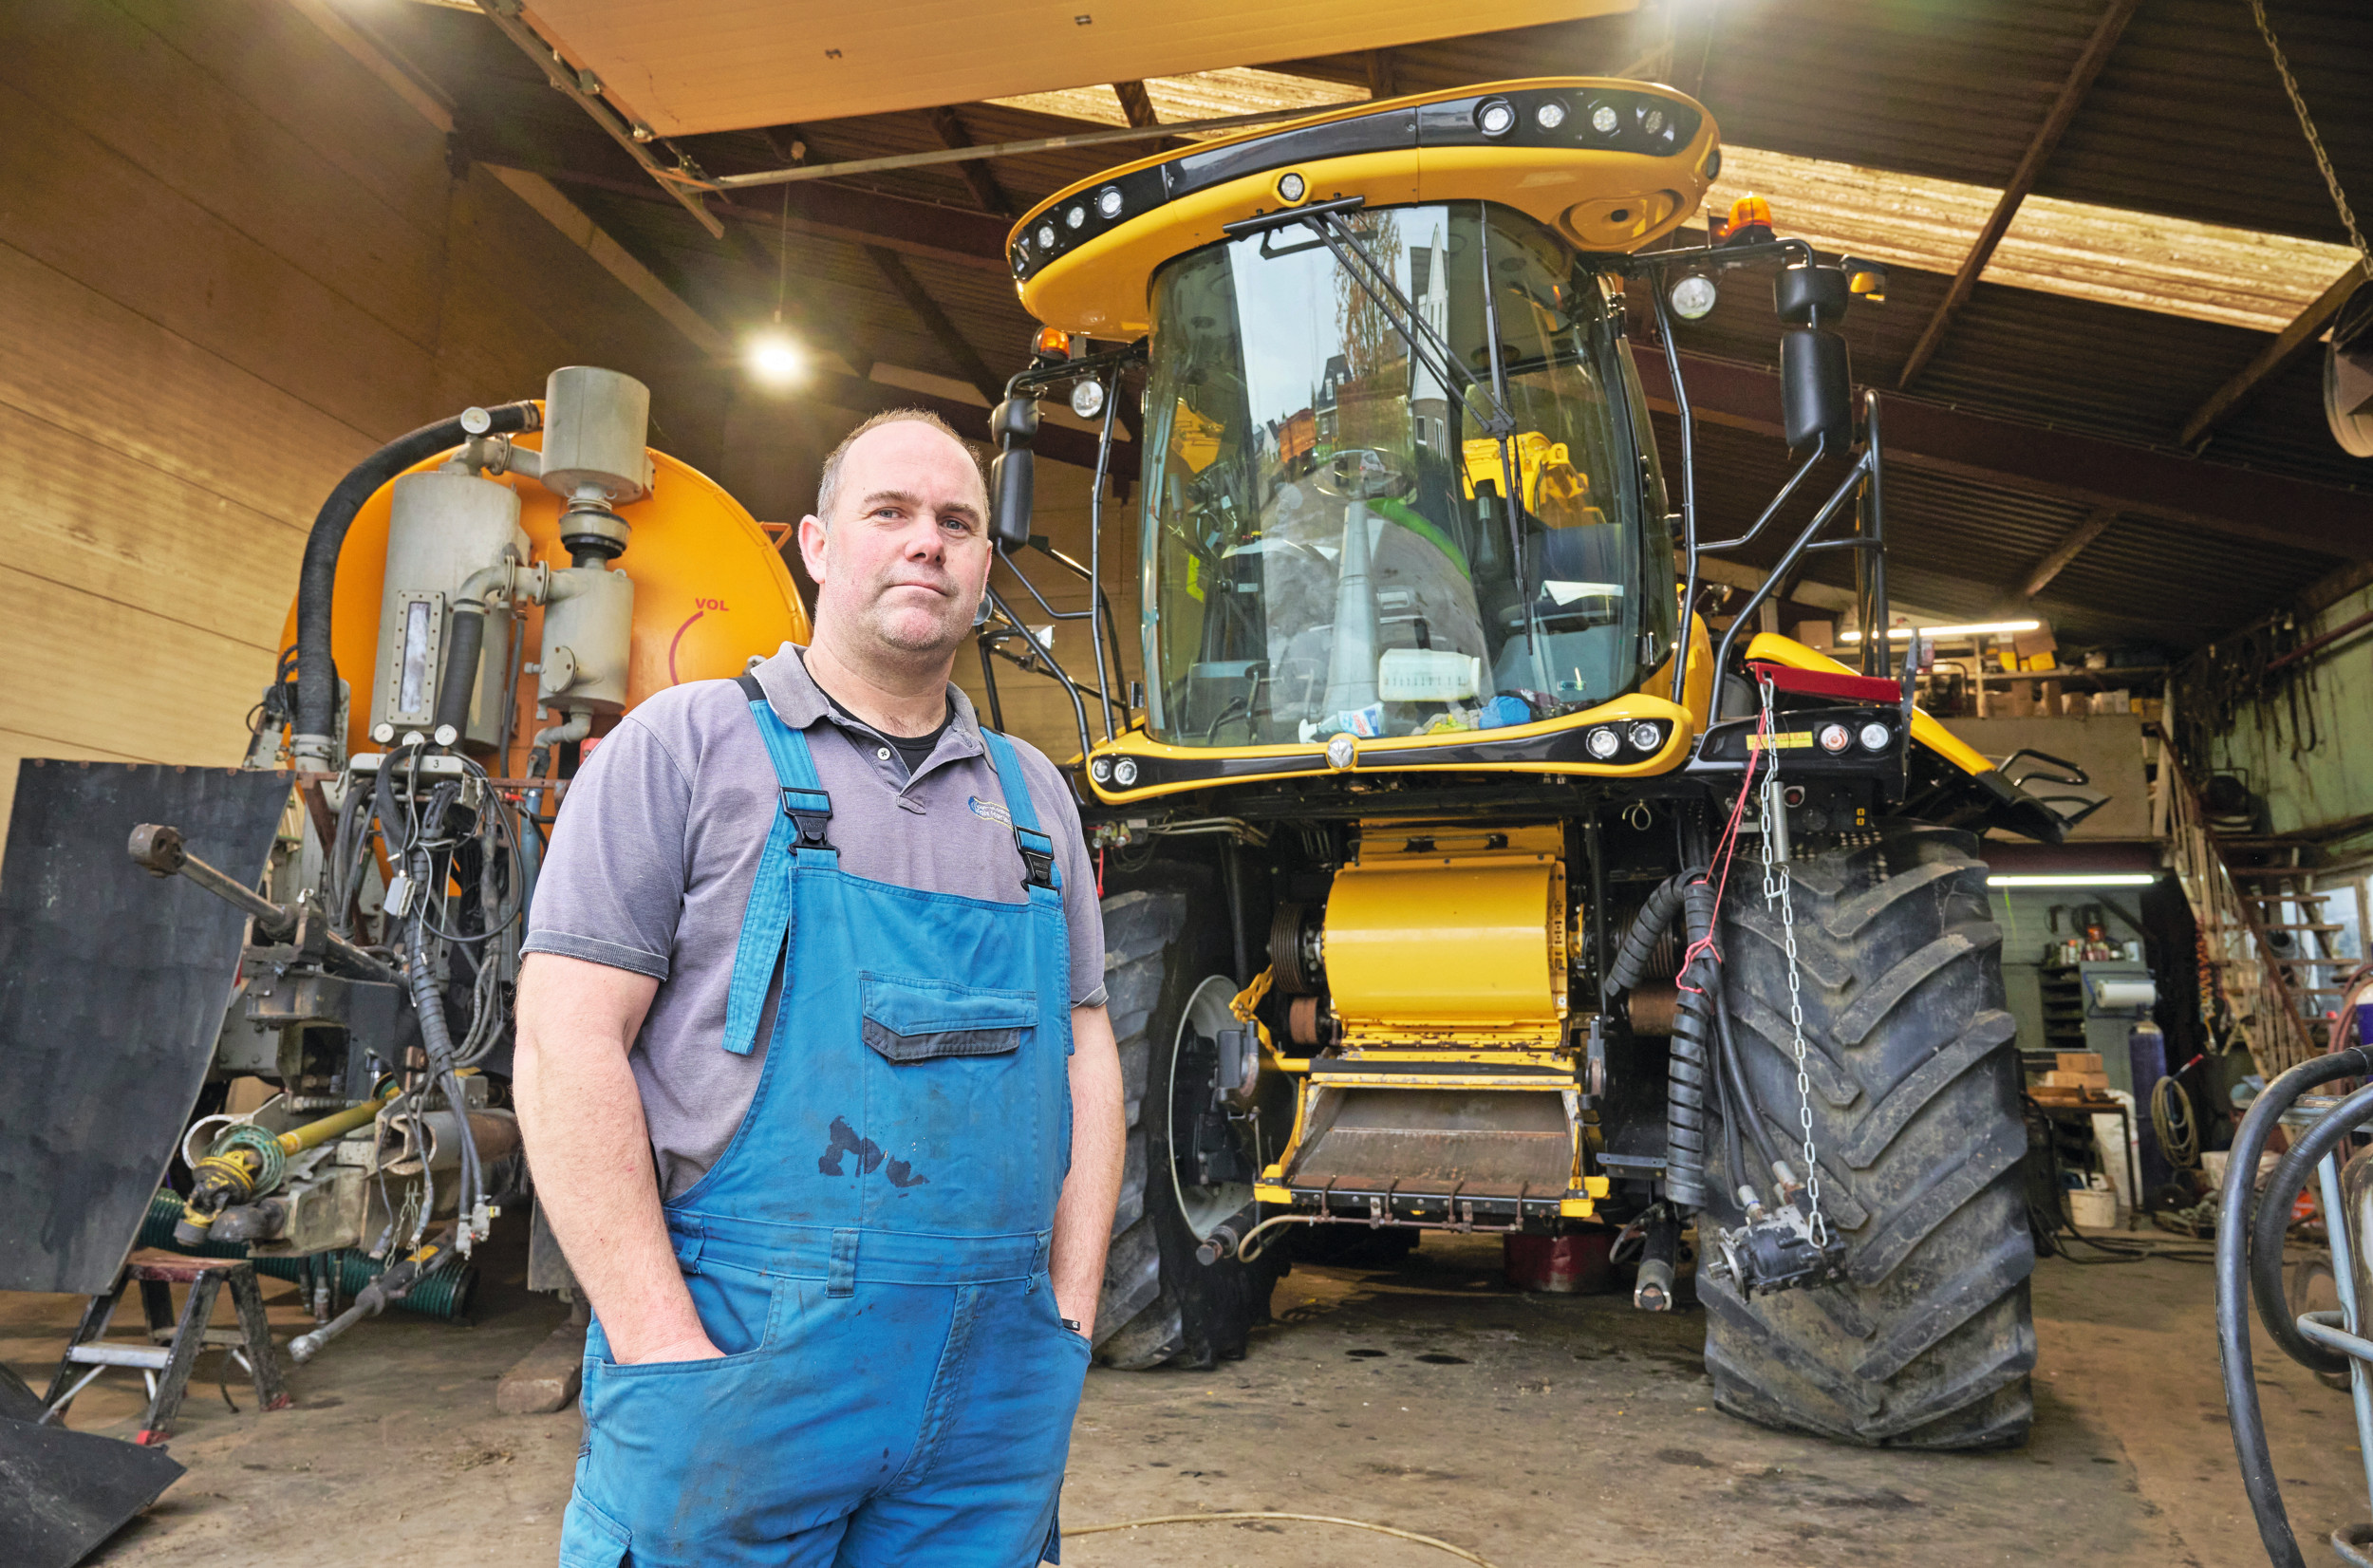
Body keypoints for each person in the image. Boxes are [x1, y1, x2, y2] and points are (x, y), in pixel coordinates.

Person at [513, 408, 1123, 1567]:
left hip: (995, 1385)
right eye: (889, 511)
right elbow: (564, 1039)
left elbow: (1085, 1050)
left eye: (956, 522)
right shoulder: (685, 746)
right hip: (741, 1360)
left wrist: (1070, 1312)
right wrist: (658, 1342)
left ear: (983, 563)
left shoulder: (1033, 792)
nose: (926, 540)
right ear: (817, 544)